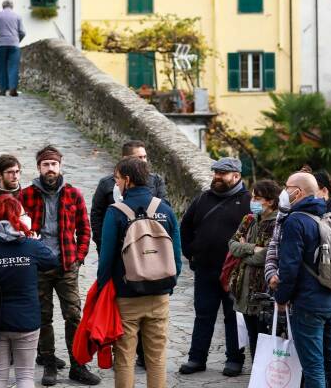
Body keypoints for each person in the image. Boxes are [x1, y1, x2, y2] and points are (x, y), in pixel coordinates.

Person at [97, 156, 181, 388]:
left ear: (127, 180)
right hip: (160, 294)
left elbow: (106, 258)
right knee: (157, 358)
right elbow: (176, 256)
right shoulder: (164, 209)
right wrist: (169, 285)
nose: (116, 185)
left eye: (117, 180)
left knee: (124, 358)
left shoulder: (116, 212)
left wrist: (104, 290)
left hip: (127, 294)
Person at [20, 145, 100, 386]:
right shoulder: (25, 195)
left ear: (60, 166)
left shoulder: (73, 194)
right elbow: (18, 228)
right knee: (42, 317)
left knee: (73, 315)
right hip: (38, 266)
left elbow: (84, 228)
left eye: (53, 164)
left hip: (67, 264)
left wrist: (79, 256)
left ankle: (78, 365)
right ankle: (49, 363)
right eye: (46, 165)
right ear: (39, 168)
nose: (50, 169)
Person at [0, 194, 58, 388]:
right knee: (25, 376)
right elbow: (53, 261)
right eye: (23, 213)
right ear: (17, 217)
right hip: (27, 319)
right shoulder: (32, 246)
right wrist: (35, 240)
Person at [179, 157, 251, 377]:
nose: (217, 177)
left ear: (236, 176)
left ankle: (234, 360)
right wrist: (191, 252)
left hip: (234, 272)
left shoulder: (249, 202)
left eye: (223, 173)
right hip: (205, 269)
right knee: (203, 315)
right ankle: (196, 358)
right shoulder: (203, 199)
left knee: (233, 316)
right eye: (215, 172)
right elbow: (186, 226)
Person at [274, 172, 331, 388]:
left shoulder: (295, 221)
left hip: (309, 304)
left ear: (298, 192)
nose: (284, 192)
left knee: (313, 366)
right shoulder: (324, 215)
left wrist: (281, 298)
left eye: (287, 187)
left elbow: (289, 267)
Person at [228, 179, 281, 358]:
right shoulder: (249, 219)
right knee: (252, 335)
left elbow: (266, 256)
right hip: (244, 289)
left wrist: (244, 250)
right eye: (253, 197)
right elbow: (232, 244)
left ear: (271, 201)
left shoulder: (278, 223)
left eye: (257, 198)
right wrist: (251, 248)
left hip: (263, 292)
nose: (253, 201)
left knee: (263, 335)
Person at [90, 140, 167, 252]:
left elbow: (164, 210)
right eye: (139, 158)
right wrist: (101, 243)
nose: (144, 161)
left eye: (145, 157)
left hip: (147, 246)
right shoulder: (106, 183)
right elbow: (97, 215)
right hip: (115, 246)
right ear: (125, 159)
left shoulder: (156, 181)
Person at [0, 0, 25, 97]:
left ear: (3, 6)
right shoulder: (17, 16)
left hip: (1, 44)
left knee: (2, 66)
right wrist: (18, 39)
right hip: (14, 44)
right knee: (13, 66)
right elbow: (22, 32)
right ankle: (13, 89)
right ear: (12, 6)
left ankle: (2, 89)